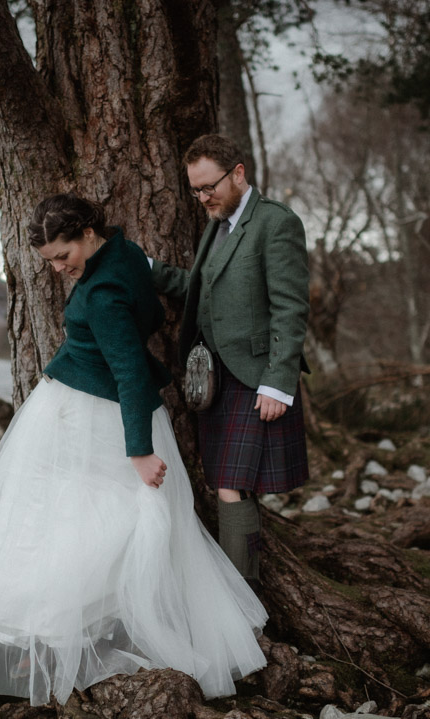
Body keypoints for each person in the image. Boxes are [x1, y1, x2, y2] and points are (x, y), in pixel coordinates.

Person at [0, 193, 267, 707]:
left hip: (91, 413)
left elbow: (127, 373)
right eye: (50, 260)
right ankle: (71, 626)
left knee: (77, 514)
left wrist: (139, 451)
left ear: (86, 233)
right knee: (64, 510)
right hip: (82, 404)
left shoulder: (101, 294)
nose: (58, 269)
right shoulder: (123, 252)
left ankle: (51, 625)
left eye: (62, 255)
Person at [151, 134, 310, 591]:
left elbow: (290, 307)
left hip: (254, 376)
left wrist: (279, 383)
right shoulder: (217, 225)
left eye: (209, 187)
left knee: (230, 486)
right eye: (195, 190)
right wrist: (150, 270)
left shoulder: (275, 223)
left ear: (238, 172)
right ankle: (241, 593)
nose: (203, 198)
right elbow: (202, 288)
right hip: (215, 380)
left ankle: (240, 600)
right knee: (226, 481)